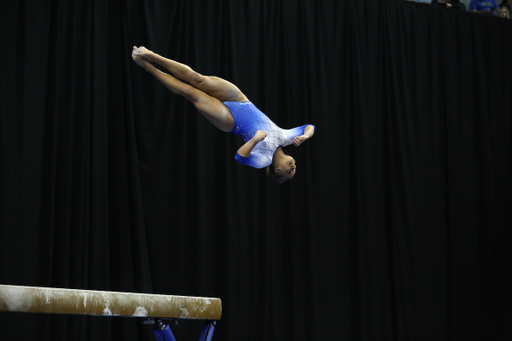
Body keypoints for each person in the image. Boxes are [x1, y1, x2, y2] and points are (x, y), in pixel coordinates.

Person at [131, 46, 315, 183]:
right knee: (197, 78)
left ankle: (148, 67)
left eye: (289, 172)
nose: (293, 167)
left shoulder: (263, 159)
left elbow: (240, 157)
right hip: (241, 100)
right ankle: (152, 55)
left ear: (276, 169)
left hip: (230, 121)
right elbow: (310, 126)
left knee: (191, 92)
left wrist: (254, 140)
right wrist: (306, 135)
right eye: (294, 168)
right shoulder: (286, 138)